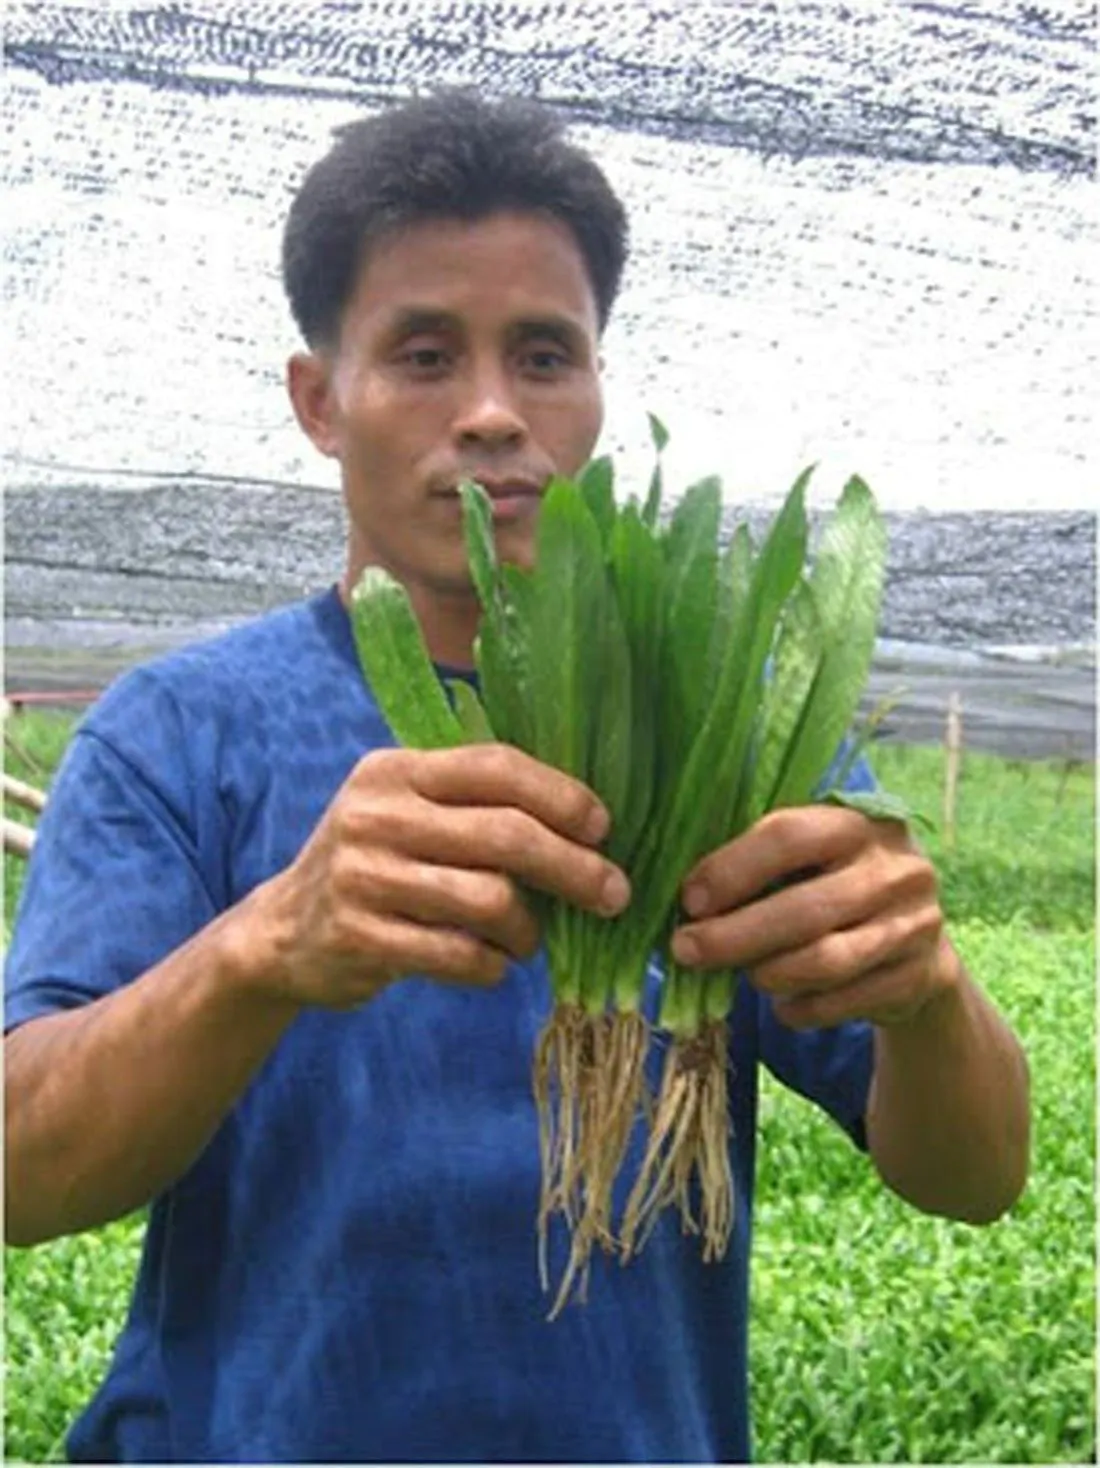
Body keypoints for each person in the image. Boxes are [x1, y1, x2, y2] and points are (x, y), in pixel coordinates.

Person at [5, 88, 1029, 1463]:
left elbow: (976, 1177)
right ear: (321, 399)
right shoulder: (179, 735)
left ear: (598, 387)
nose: (492, 412)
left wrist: (930, 997)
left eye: (544, 354)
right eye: (424, 353)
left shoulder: (729, 735)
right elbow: (21, 1169)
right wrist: (261, 949)